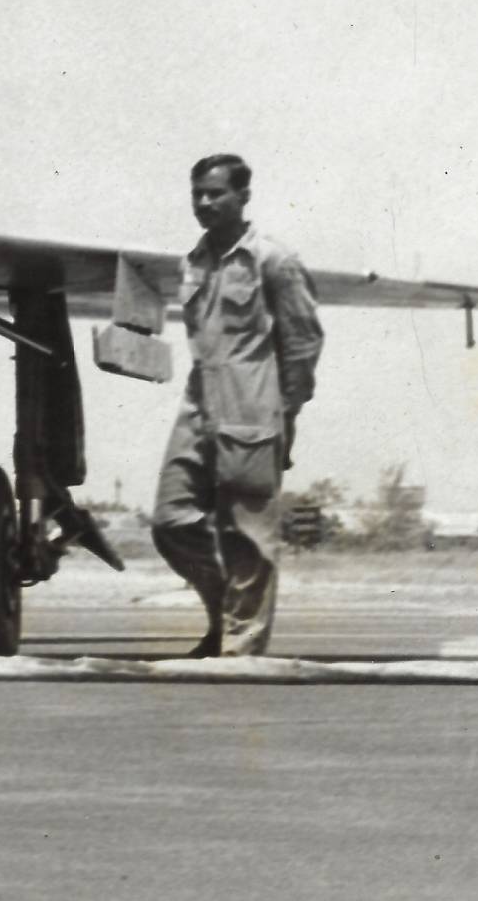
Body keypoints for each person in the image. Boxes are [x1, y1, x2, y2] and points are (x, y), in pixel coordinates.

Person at [150, 154, 323, 658]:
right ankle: (227, 615)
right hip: (199, 404)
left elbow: (303, 342)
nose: (204, 202)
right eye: (197, 193)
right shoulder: (195, 260)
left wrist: (286, 414)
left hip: (252, 409)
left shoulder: (274, 260)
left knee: (248, 538)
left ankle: (239, 652)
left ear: (243, 196)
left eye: (216, 193)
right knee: (170, 522)